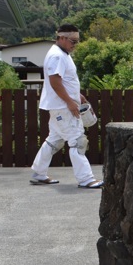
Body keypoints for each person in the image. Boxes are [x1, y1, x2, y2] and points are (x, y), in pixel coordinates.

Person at [29, 25, 104, 189]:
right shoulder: (57, 56)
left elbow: (64, 81)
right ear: (61, 38)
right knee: (78, 141)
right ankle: (86, 179)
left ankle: (38, 174)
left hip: (59, 107)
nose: (75, 45)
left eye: (77, 41)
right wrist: (70, 102)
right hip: (64, 107)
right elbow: (55, 82)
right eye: (73, 41)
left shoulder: (61, 54)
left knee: (54, 141)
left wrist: (77, 96)